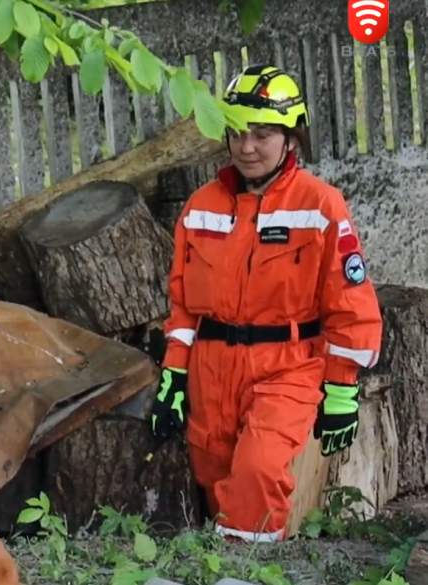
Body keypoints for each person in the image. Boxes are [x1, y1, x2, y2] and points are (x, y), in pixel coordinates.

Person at [148, 65, 383, 543]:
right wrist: (174, 375)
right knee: (216, 482)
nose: (247, 147)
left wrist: (341, 388)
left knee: (257, 472)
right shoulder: (200, 208)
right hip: (212, 371)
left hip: (288, 366)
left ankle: (248, 573)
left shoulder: (320, 206)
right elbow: (184, 307)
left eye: (262, 134)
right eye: (237, 133)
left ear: (291, 137)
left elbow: (350, 303)